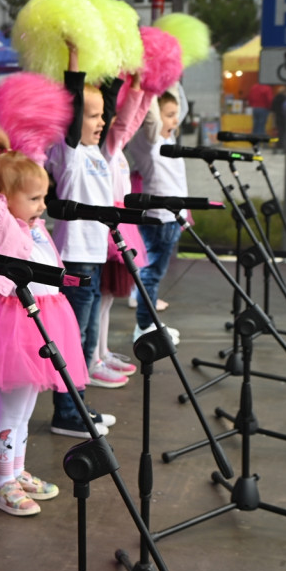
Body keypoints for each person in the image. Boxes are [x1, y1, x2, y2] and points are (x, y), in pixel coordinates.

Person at [0, 135, 110, 516]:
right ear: (4, 198)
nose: (42, 205)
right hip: (18, 326)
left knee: (25, 409)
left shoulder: (35, 227)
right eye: (33, 198)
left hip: (46, 321)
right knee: (11, 411)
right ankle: (2, 484)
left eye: (42, 197)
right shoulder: (0, 224)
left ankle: (16, 470)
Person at [44, 45, 129, 390]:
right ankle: (69, 408)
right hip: (75, 259)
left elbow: (106, 106)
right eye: (92, 118)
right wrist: (76, 58)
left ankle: (81, 391)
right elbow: (74, 100)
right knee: (74, 335)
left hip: (93, 257)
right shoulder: (71, 153)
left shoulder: (95, 151)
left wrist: (116, 72)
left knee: (90, 332)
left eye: (102, 117)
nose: (101, 122)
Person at [93, 74, 152, 379]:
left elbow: (131, 122)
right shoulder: (106, 150)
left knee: (105, 302)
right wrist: (139, 89)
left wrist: (149, 92)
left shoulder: (116, 151)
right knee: (100, 299)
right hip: (108, 229)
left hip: (118, 226)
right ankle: (94, 358)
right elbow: (123, 122)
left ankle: (101, 353)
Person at [126, 90, 186, 343]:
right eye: (168, 115)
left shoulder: (168, 141)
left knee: (153, 273)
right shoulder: (148, 142)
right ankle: (145, 325)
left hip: (171, 217)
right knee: (151, 273)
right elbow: (151, 120)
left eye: (175, 115)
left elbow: (178, 107)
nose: (175, 121)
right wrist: (150, 86)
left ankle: (148, 321)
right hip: (161, 217)